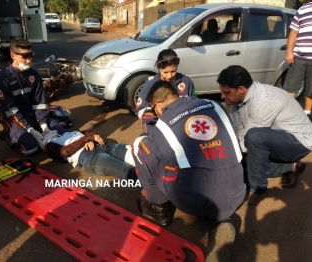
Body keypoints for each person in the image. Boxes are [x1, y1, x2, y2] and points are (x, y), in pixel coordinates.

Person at [132, 80, 246, 261]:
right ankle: (216, 226)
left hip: (194, 196)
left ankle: (158, 208)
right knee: (203, 172)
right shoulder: (215, 105)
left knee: (141, 145)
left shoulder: (164, 123)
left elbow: (167, 157)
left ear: (159, 106)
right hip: (237, 189)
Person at [218, 65, 312, 206]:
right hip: (275, 135)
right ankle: (291, 167)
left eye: (226, 93)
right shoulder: (238, 98)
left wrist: (232, 158)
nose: (222, 96)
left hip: (299, 141)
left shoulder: (263, 102)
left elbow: (250, 139)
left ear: (241, 89)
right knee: (249, 162)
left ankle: (258, 188)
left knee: (253, 143)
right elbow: (238, 129)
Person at [0, 37, 66, 155]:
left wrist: (43, 126)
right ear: (13, 55)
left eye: (30, 55)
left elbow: (40, 103)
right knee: (30, 148)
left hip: (32, 114)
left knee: (61, 134)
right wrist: (30, 129)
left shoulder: (34, 74)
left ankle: (37, 128)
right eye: (24, 56)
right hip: (13, 118)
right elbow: (10, 110)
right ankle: (8, 134)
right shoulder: (1, 78)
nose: (29, 60)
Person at [134, 49, 198, 133]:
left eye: (173, 71)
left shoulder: (186, 81)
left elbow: (195, 105)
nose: (169, 76)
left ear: (177, 67)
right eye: (165, 72)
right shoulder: (150, 83)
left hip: (181, 129)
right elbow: (139, 110)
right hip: (156, 130)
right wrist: (161, 116)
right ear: (159, 68)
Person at [42, 130, 137, 180]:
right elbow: (64, 151)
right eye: (43, 133)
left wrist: (90, 138)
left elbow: (90, 132)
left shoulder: (69, 133)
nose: (45, 132)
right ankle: (151, 189)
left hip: (102, 145)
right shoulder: (49, 145)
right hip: (89, 156)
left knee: (134, 154)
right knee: (127, 170)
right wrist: (86, 140)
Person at [283, 2, 312, 120]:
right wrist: (289, 52)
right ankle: (287, 115)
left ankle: (307, 114)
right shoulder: (303, 9)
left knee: (311, 89)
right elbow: (293, 32)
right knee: (291, 87)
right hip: (299, 57)